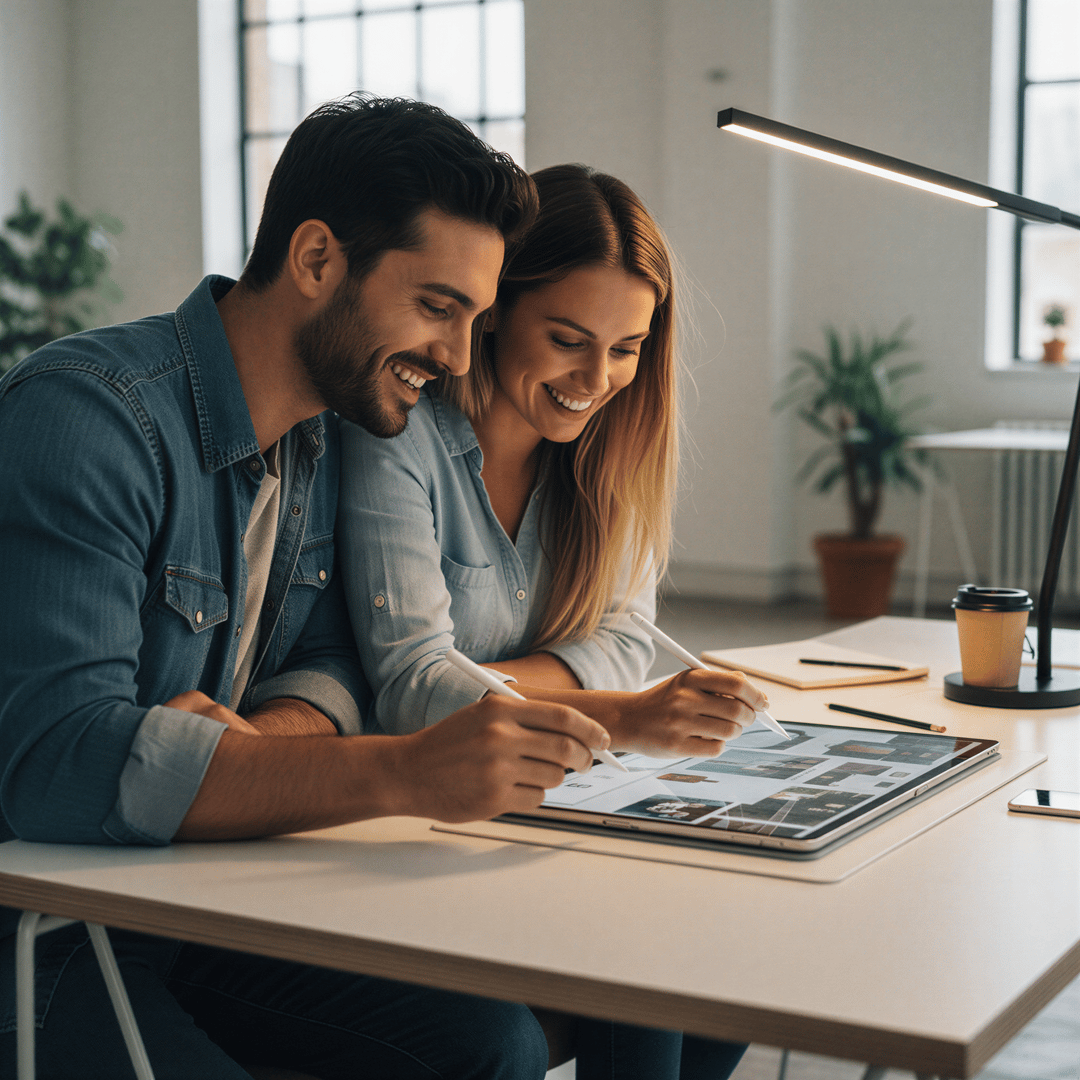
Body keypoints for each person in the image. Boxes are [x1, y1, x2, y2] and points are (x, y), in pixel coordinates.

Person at [0, 96, 613, 1080]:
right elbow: (59, 766)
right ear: (318, 259)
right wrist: (402, 773)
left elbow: (333, 664)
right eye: (438, 307)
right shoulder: (88, 417)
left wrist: (254, 745)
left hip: (201, 886)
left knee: (493, 1041)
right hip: (47, 920)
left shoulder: (326, 435)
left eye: (475, 320)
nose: (460, 358)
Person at [339, 164, 766, 1078]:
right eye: (568, 338)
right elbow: (413, 681)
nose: (597, 378)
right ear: (494, 311)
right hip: (411, 835)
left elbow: (622, 639)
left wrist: (497, 680)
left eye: (626, 347)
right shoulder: (398, 440)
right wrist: (619, 715)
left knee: (723, 962)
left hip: (541, 807)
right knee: (645, 964)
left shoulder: (612, 457)